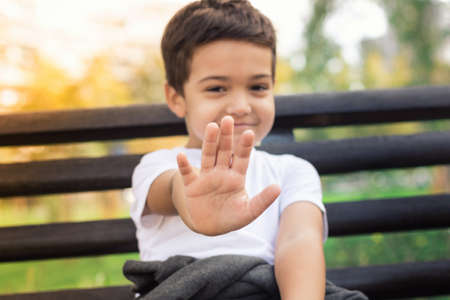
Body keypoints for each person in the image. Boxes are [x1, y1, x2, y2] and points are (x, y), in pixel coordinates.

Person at [127, 1, 367, 299]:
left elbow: (299, 240)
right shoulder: (159, 165)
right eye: (217, 88)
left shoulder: (293, 171)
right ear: (176, 98)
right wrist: (189, 197)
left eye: (258, 87)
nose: (241, 106)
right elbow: (170, 191)